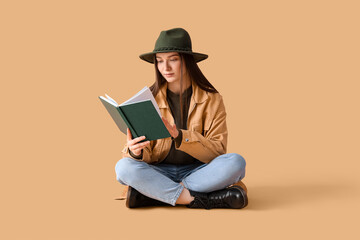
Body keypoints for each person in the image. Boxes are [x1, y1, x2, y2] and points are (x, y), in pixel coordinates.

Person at [115, 27, 248, 209]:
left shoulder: (212, 99)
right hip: (159, 172)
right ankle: (200, 199)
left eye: (173, 60)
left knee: (236, 162)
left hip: (198, 171)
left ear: (187, 61)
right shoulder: (147, 100)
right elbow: (135, 158)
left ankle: (156, 195)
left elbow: (218, 151)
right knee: (123, 168)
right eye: (160, 61)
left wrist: (179, 135)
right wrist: (134, 152)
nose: (165, 68)